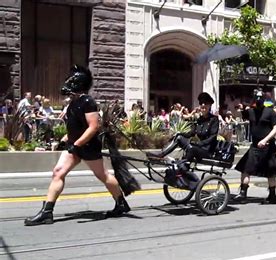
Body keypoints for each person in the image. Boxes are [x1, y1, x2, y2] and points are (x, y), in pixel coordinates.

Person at [24, 65, 130, 226]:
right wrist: (64, 140)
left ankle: (121, 203)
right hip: (74, 145)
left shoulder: (88, 101)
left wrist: (78, 144)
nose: (68, 82)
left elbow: (93, 127)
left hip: (88, 146)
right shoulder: (73, 102)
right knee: (58, 172)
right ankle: (47, 212)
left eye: (72, 79)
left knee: (102, 175)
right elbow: (75, 126)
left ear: (79, 83)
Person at [234, 89, 276, 204]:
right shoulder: (251, 111)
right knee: (245, 169)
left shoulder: (270, 112)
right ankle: (243, 193)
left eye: (260, 98)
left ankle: (273, 196)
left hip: (268, 146)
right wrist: (240, 108)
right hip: (255, 146)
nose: (258, 101)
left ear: (264, 100)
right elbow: (239, 114)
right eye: (256, 99)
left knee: (271, 172)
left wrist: (265, 139)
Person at [146, 92, 219, 174]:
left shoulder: (214, 119)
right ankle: (161, 155)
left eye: (205, 103)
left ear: (209, 106)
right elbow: (190, 133)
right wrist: (179, 133)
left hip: (207, 150)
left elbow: (212, 137)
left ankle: (184, 168)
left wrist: (199, 143)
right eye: (201, 103)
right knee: (179, 137)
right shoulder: (199, 119)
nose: (203, 105)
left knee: (191, 147)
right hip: (197, 147)